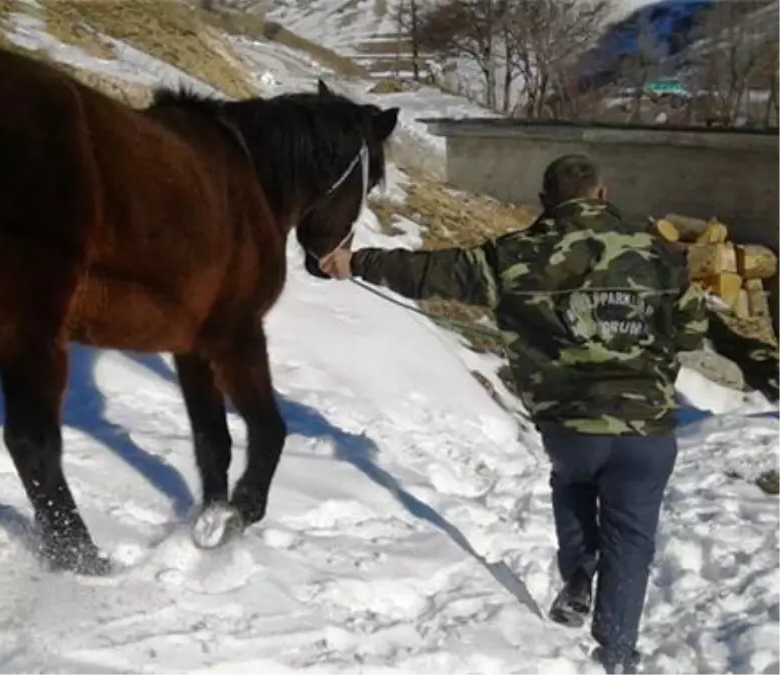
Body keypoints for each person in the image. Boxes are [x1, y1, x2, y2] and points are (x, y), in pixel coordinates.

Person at [315, 153, 780, 674]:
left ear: (545, 202)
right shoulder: (659, 253)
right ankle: (618, 650)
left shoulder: (516, 255)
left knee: (574, 484)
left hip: (570, 424)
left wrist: (355, 263)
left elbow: (430, 272)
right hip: (646, 427)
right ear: (602, 195)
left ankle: (578, 580)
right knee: (632, 535)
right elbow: (691, 332)